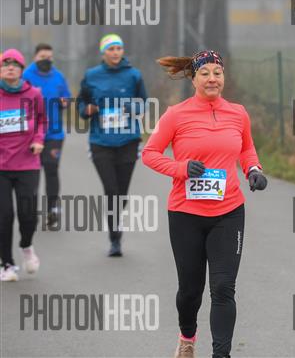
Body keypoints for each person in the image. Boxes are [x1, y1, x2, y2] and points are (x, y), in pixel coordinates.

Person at [142, 50, 267, 358]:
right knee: (190, 291)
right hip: (186, 213)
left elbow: (247, 148)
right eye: (205, 73)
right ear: (194, 79)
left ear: (224, 77)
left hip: (228, 211)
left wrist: (253, 169)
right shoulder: (175, 115)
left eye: (217, 73)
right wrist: (181, 168)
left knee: (223, 287)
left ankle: (220, 354)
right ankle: (187, 337)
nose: (212, 79)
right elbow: (150, 154)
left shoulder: (238, 113)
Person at [77, 33, 147, 256]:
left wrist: (131, 108)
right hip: (101, 141)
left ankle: (115, 226)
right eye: (111, 49)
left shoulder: (134, 75)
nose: (115, 53)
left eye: (118, 48)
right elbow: (81, 103)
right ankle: (114, 239)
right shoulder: (92, 75)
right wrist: (86, 110)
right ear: (103, 53)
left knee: (121, 193)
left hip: (128, 140)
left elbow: (144, 103)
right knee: (111, 190)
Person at [0, 49, 47, 281]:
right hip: (1, 166)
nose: (10, 68)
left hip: (27, 163)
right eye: (5, 64)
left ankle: (26, 246)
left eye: (15, 65)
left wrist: (38, 140)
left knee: (28, 215)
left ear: (21, 69)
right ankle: (7, 264)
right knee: (4, 215)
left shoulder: (34, 94)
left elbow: (41, 120)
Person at [23, 43, 72, 228]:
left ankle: (53, 209)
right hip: (30, 134)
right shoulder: (26, 76)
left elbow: (67, 97)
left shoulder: (58, 76)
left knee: (51, 169)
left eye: (50, 57)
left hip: (54, 134)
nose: (47, 60)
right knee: (32, 173)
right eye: (43, 57)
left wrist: (65, 101)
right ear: (35, 57)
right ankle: (30, 210)